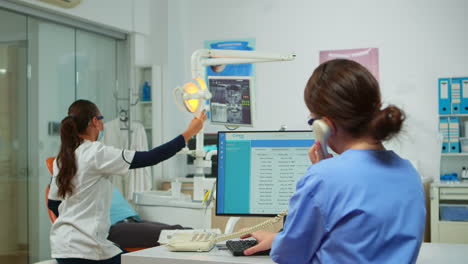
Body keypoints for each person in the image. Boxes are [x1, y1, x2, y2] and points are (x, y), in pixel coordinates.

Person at [242, 59, 426, 263]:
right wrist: (279, 239)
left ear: (325, 125)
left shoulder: (324, 178)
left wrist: (321, 173)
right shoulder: (409, 174)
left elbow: (290, 256)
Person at [48, 99, 206, 264]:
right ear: (95, 121)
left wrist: (76, 225)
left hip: (63, 247)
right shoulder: (96, 153)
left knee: (126, 256)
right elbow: (151, 157)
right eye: (101, 119)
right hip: (86, 250)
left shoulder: (62, 159)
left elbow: (53, 204)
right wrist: (189, 132)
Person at [48, 186, 186, 249]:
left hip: (133, 220)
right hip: (114, 229)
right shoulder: (68, 186)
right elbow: (62, 215)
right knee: (177, 233)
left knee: (182, 231)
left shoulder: (95, 177)